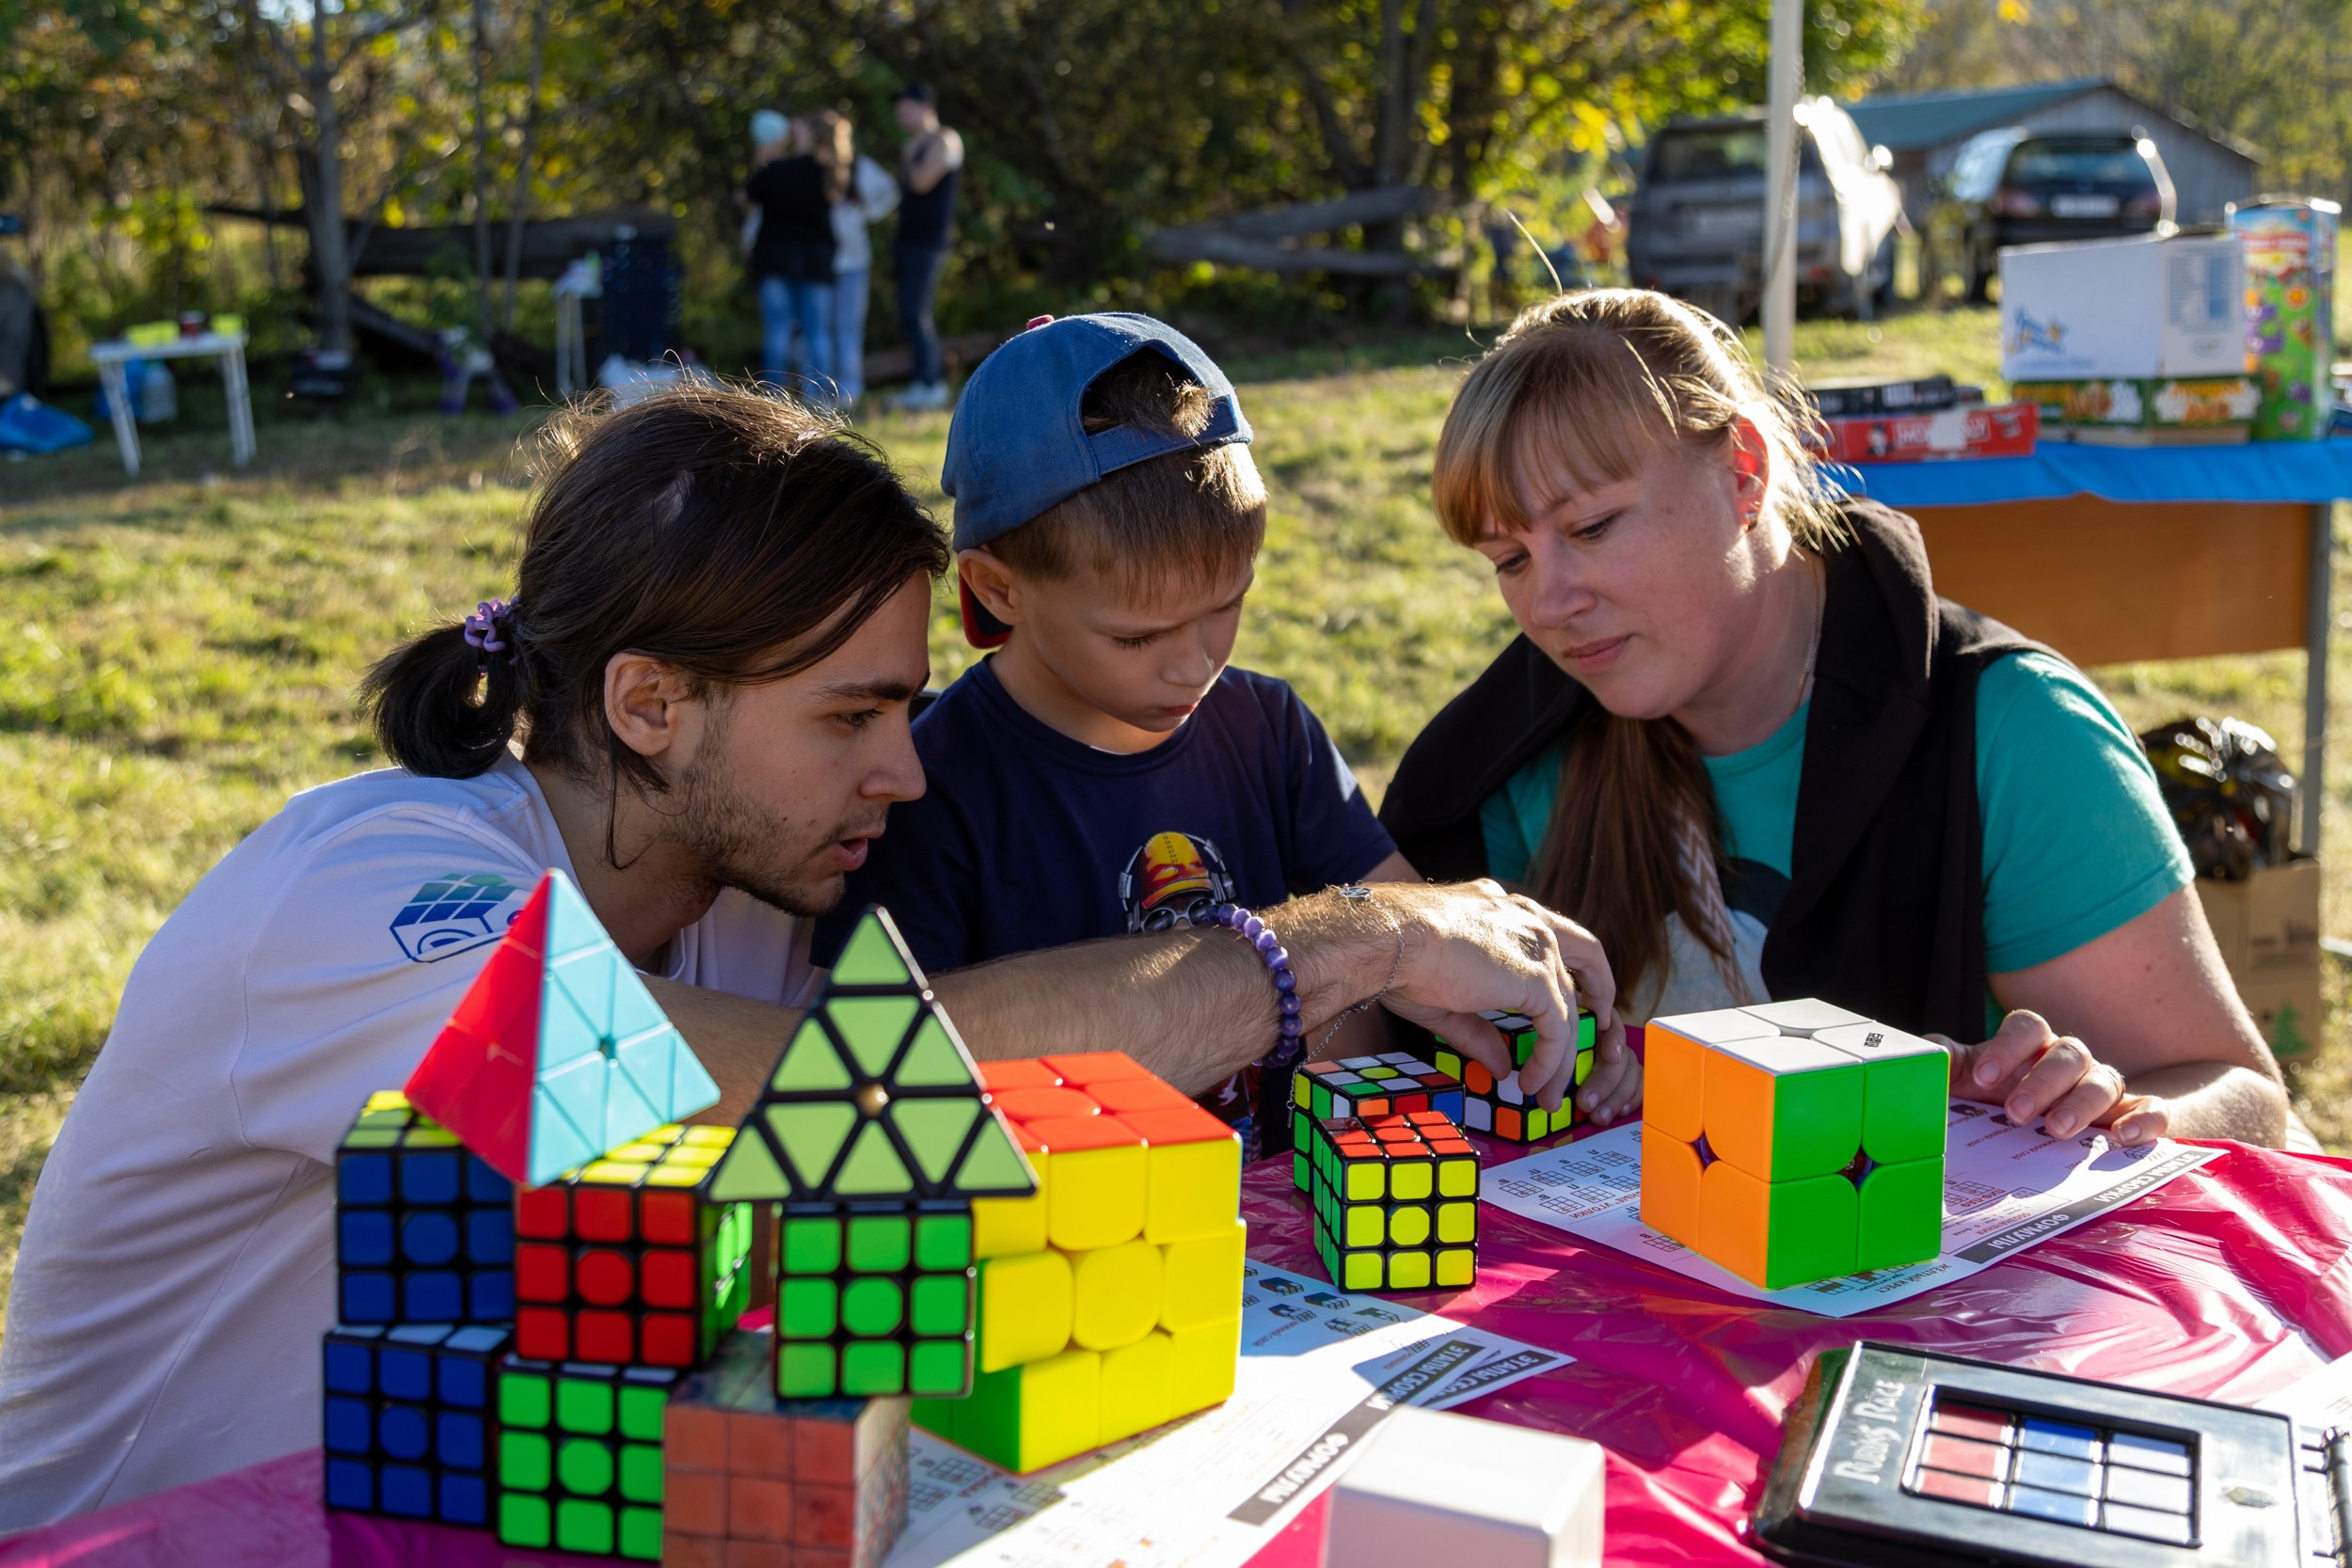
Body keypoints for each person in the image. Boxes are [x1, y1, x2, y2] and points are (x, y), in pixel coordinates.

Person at [0, 382, 1613, 1528]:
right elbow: (798, 1102)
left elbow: (928, 1177)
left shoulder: (767, 901)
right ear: (648, 705)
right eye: (848, 717)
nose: (905, 773)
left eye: (904, 712)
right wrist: (1344, 940)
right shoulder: (357, 905)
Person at [1379, 288, 2290, 1148]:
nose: (1550, 601)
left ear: (1743, 472)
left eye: (1591, 528)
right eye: (1508, 559)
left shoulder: (2008, 732)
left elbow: (2243, 1092)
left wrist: (2123, 1116)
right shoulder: (1502, 762)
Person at [743, 112, 839, 398]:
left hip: (774, 259)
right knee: (816, 332)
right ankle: (821, 400)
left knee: (778, 332)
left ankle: (772, 400)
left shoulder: (775, 170)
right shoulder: (830, 173)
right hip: (816, 260)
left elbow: (749, 192)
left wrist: (766, 155)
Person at [886, 82, 961, 412]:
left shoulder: (945, 139)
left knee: (918, 312)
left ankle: (932, 384)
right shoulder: (914, 145)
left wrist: (908, 159)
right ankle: (922, 381)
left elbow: (921, 181)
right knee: (908, 312)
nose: (900, 114)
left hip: (929, 241)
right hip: (908, 239)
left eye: (906, 107)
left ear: (926, 107)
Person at [829, 113, 899, 408]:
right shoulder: (813, 168)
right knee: (821, 331)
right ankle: (824, 391)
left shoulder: (859, 167)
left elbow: (891, 192)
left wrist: (866, 213)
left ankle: (849, 393)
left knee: (849, 329)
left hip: (854, 262)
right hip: (820, 264)